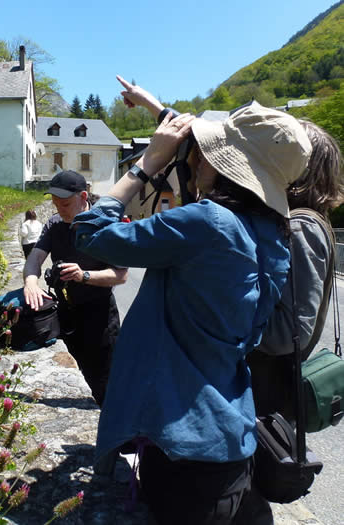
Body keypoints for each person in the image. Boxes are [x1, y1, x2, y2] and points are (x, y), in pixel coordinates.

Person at [73, 101, 312, 524]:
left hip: (183, 455)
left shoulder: (209, 223)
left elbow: (90, 233)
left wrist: (147, 163)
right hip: (232, 443)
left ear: (221, 164)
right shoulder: (272, 235)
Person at [248, 121, 344, 421]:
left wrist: (224, 322)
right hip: (263, 391)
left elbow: (289, 333)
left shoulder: (301, 227)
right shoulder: (294, 221)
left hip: (265, 398)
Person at [23, 170, 128, 405]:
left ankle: (111, 425)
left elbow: (121, 275)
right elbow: (35, 258)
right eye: (55, 203)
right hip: (66, 313)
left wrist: (84, 275)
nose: (60, 208)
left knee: (104, 377)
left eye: (66, 203)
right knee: (75, 368)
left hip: (99, 315)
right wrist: (31, 282)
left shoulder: (106, 224)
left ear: (83, 196)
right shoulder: (54, 224)